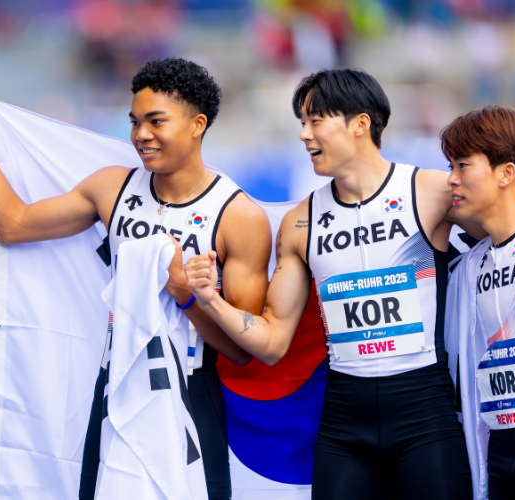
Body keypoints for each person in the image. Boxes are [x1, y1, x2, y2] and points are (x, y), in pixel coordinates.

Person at [0, 58, 272, 500]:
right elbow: (14, 224)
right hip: (116, 382)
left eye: (156, 121)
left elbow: (242, 350)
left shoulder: (239, 216)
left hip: (191, 388)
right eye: (135, 122)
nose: (141, 134)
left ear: (197, 124)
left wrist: (185, 293)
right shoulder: (112, 188)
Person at [185, 68, 478, 500]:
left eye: (315, 120)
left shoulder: (432, 191)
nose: (304, 134)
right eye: (301, 122)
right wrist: (210, 300)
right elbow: (272, 343)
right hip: (345, 426)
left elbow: (512, 230)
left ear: (360, 123)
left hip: (425, 416)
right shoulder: (300, 223)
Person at [443, 106, 515, 500]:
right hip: (500, 449)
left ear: (506, 173)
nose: (451, 178)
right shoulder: (474, 262)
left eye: (462, 165)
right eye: (450, 166)